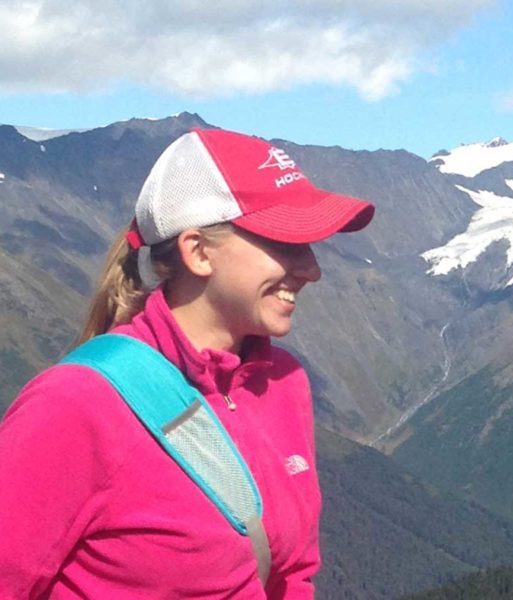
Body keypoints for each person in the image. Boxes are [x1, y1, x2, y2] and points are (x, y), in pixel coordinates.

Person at [0, 128, 375, 599]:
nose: (312, 269)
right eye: (286, 242)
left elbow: (291, 575)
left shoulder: (283, 382)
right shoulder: (75, 405)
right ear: (197, 251)